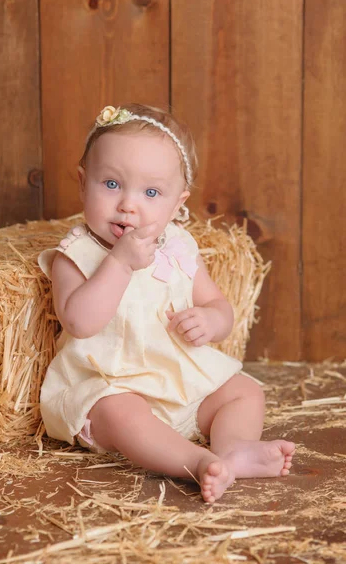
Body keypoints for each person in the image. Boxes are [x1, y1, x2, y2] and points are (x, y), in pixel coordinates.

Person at [38, 104, 295, 503]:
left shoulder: (178, 246)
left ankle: (233, 449)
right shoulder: (76, 255)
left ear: (178, 205)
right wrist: (119, 263)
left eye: (151, 193)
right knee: (121, 414)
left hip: (177, 381)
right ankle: (195, 461)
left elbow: (218, 305)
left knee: (244, 391)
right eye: (111, 184)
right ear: (82, 183)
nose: (128, 205)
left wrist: (211, 320)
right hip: (110, 385)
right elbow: (79, 322)